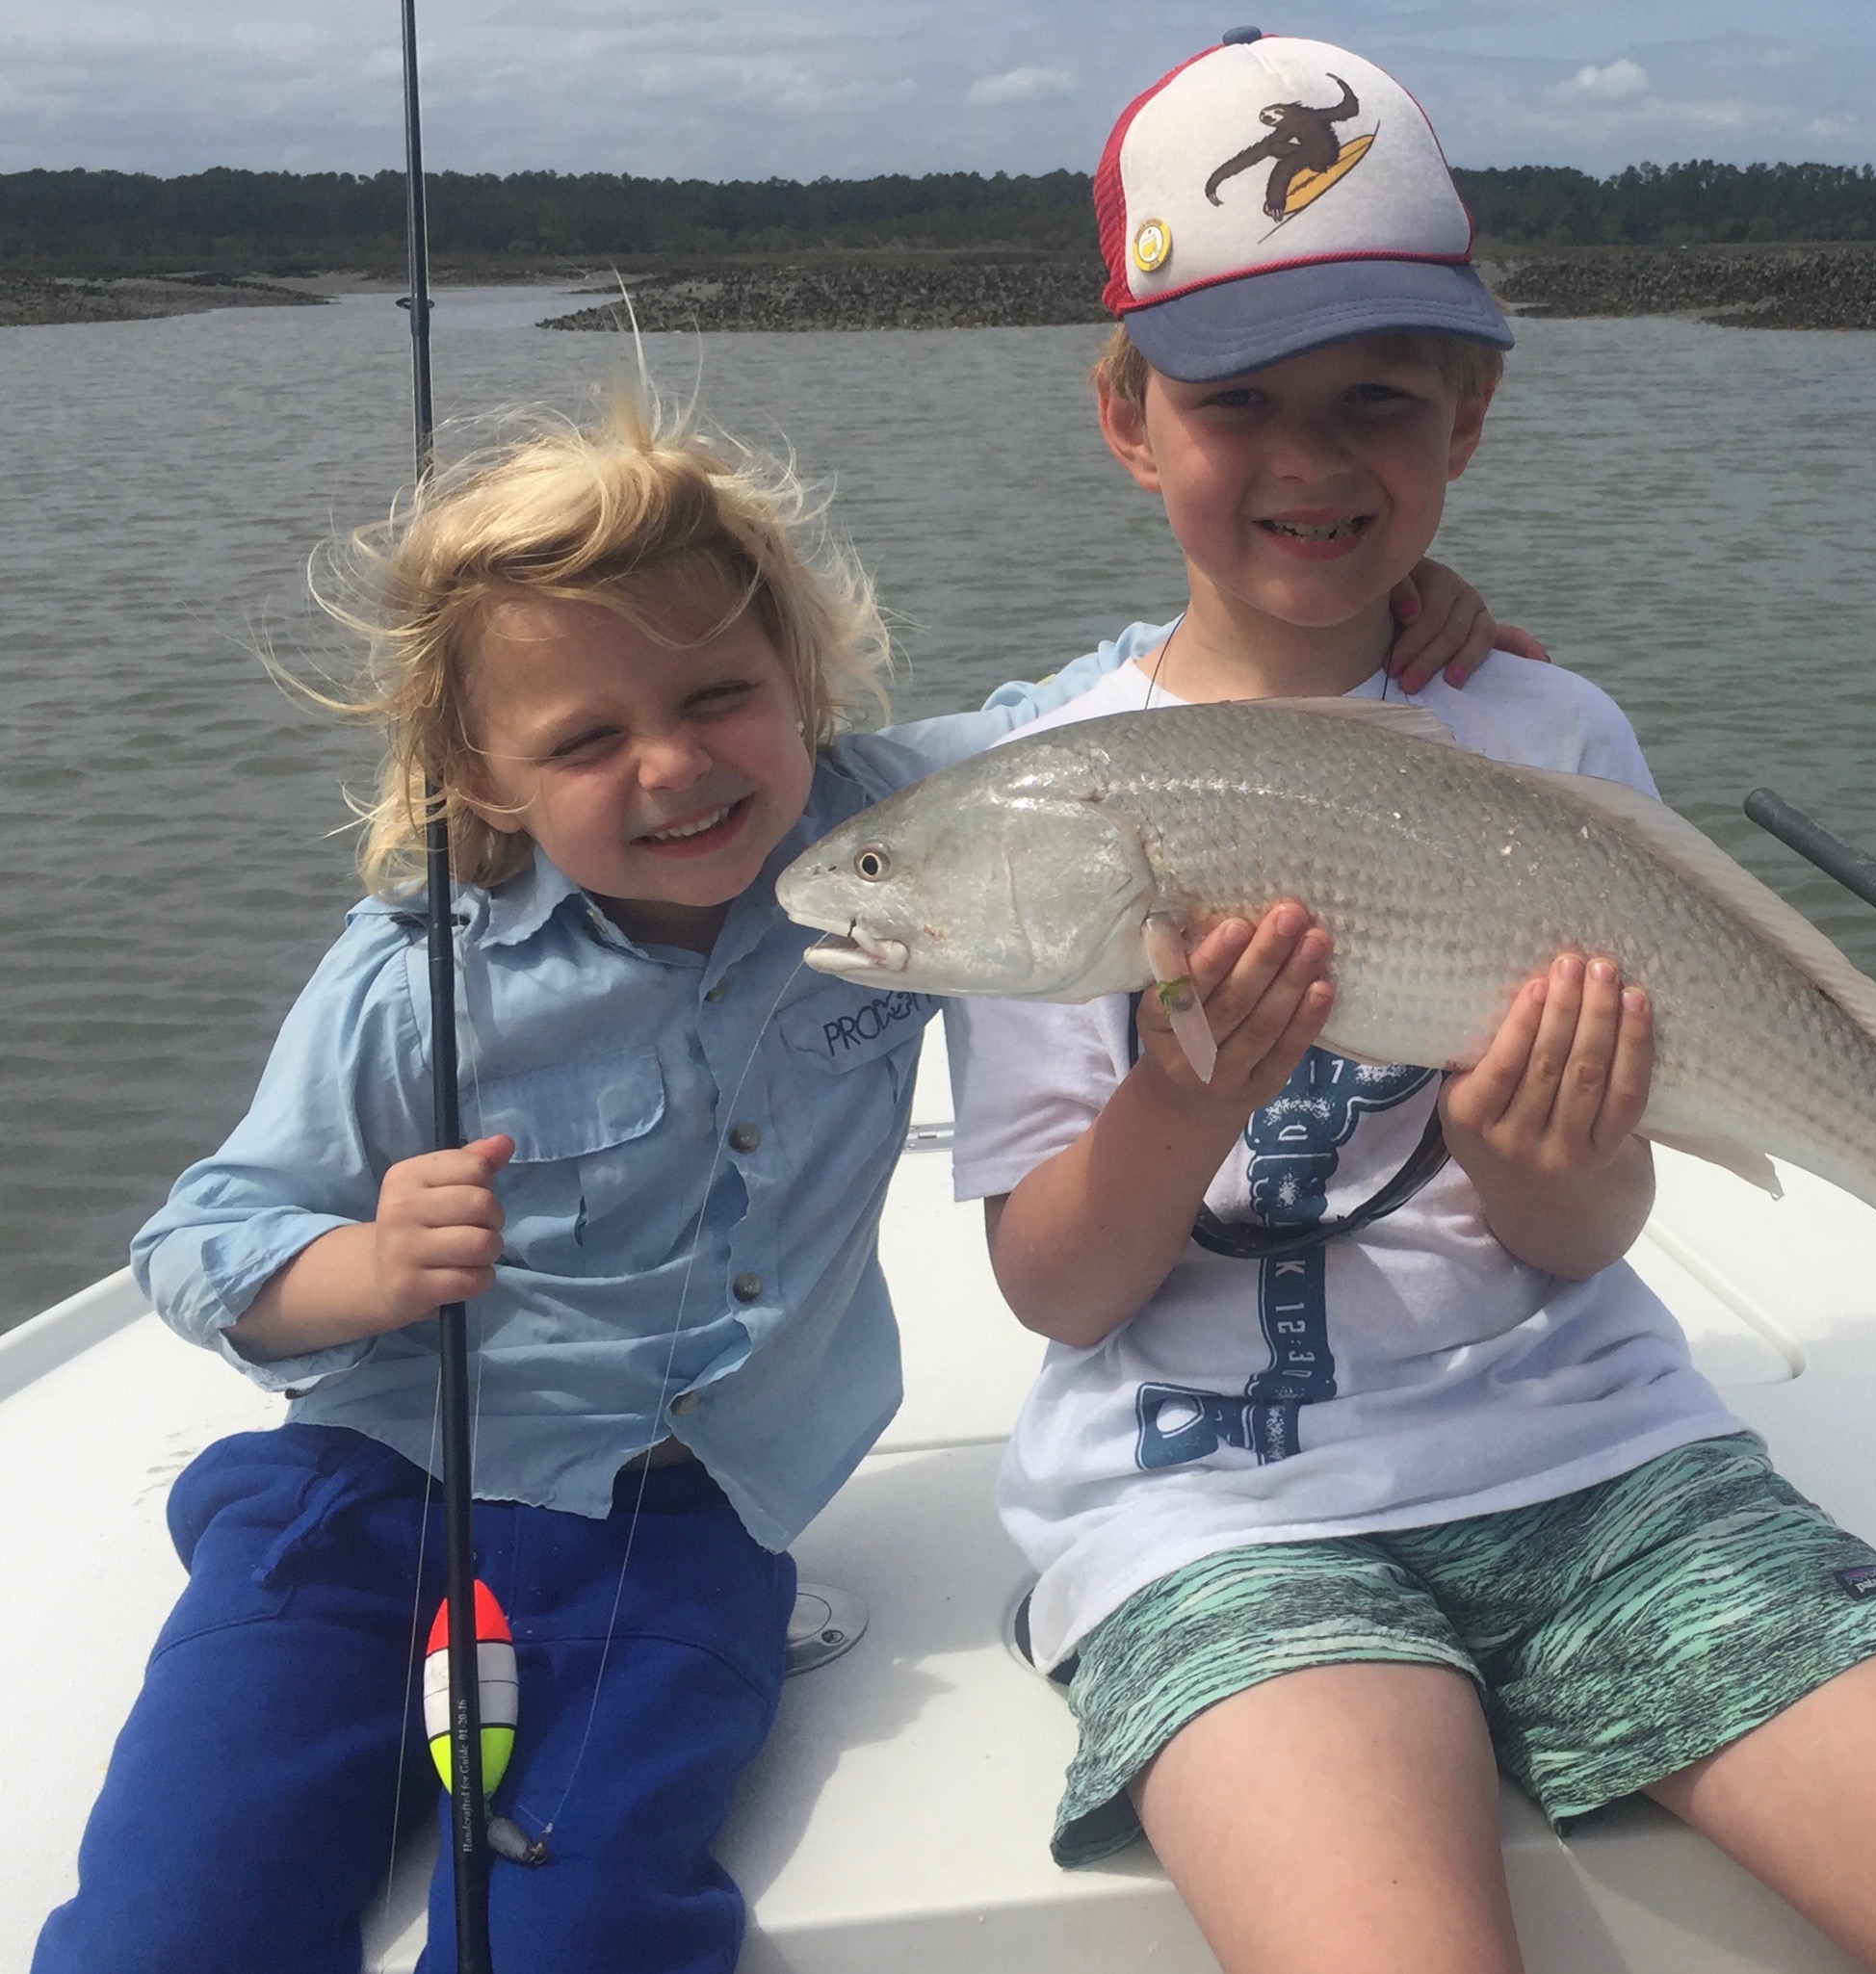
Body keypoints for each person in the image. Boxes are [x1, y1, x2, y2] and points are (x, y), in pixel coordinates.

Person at [37, 388, 1529, 1974]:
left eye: (719, 694)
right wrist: (368, 1268)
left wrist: (1395, 618)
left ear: (801, 682)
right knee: (173, 1914)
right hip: (366, 1507)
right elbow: (201, 1236)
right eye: (587, 739)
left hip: (684, 1539)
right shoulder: (415, 978)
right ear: (482, 779)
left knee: (585, 1922)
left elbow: (1138, 698)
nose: (674, 765)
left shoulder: (917, 829)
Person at [947, 32, 1876, 1974]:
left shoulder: (1548, 725)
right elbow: (1058, 1292)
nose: (1315, 457)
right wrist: (1178, 1093)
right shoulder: (1041, 801)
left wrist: (1545, 1155)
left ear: (1465, 425)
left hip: (1592, 1453)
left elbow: (1586, 1234)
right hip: (1210, 1507)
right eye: (1236, 398)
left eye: (1378, 399)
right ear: (1125, 417)